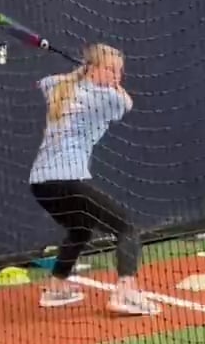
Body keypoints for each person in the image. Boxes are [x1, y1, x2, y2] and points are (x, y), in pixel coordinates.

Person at [29, 43, 159, 316]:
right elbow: (127, 103)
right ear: (92, 69)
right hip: (66, 180)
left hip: (40, 184)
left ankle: (56, 288)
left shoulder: (60, 87)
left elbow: (43, 82)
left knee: (81, 229)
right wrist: (106, 84)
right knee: (126, 228)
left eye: (119, 71)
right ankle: (126, 293)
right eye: (110, 70)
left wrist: (81, 75)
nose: (116, 76)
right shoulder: (106, 98)